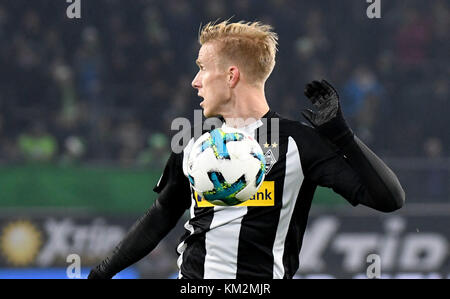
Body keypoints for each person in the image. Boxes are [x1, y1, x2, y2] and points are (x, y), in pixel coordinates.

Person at [88, 20, 405, 279]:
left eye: (202, 67)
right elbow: (162, 215)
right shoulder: (194, 139)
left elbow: (389, 199)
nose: (195, 81)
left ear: (231, 75)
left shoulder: (298, 144)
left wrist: (343, 137)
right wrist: (100, 274)